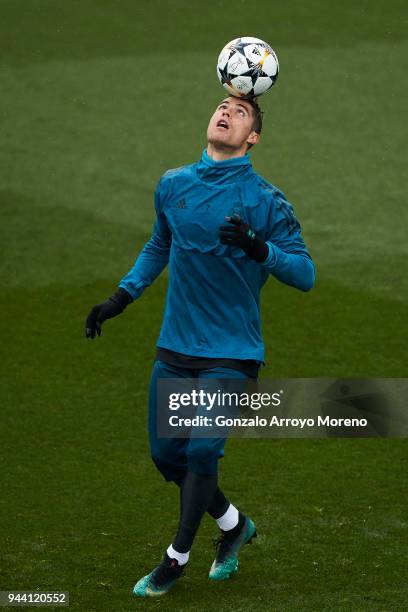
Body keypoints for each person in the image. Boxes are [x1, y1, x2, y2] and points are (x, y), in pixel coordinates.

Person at [85, 95, 315, 597]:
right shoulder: (173, 184)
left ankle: (176, 558)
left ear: (253, 137)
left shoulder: (266, 201)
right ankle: (233, 525)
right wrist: (120, 297)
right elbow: (158, 245)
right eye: (222, 105)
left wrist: (260, 247)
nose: (227, 112)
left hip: (233, 352)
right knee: (169, 457)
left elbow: (305, 274)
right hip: (177, 348)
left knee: (204, 449)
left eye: (241, 113)